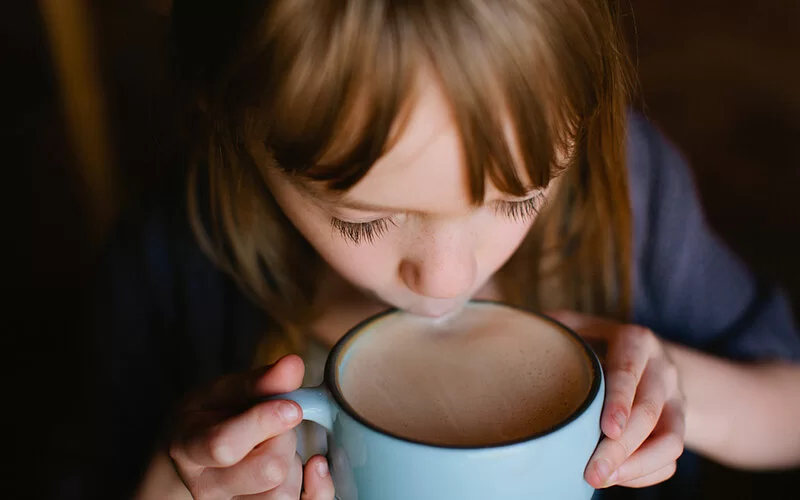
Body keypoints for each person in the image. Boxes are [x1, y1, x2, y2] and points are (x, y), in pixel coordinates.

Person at [82, 1, 800, 499]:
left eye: (519, 197)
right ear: (229, 122)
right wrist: (183, 480)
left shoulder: (636, 193)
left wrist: (676, 387)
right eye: (364, 220)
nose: (449, 277)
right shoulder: (167, 260)